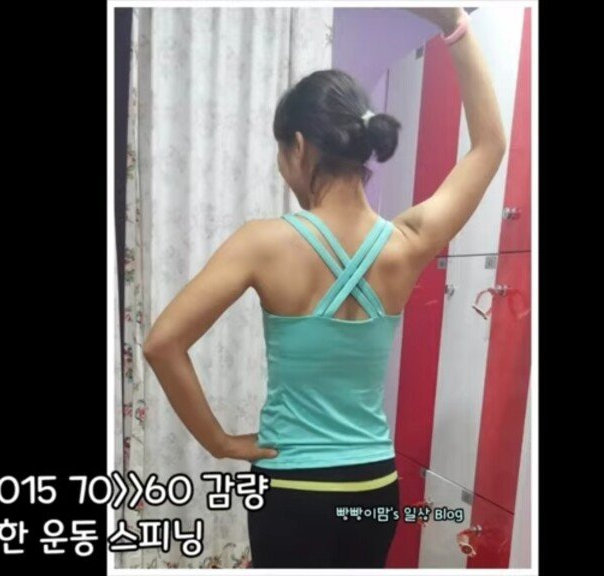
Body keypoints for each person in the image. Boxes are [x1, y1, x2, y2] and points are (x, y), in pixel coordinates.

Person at [142, 6, 507, 568]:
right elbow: (489, 146)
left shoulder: (262, 242)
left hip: (291, 490)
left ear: (298, 146)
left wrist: (220, 442)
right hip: (374, 488)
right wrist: (454, 24)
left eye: (280, 154)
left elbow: (162, 343)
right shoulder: (406, 242)